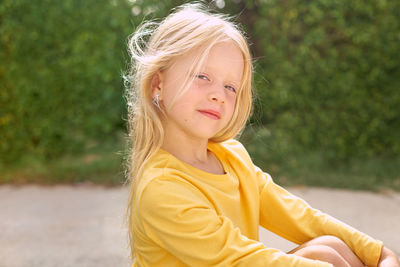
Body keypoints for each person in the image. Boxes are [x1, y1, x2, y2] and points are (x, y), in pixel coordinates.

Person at [125, 3, 399, 267]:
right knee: (325, 258)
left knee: (329, 247)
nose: (218, 95)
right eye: (202, 76)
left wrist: (377, 253)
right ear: (158, 84)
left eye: (231, 86)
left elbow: (299, 217)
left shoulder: (232, 157)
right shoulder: (161, 188)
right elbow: (243, 261)